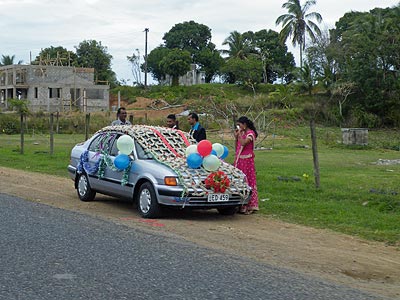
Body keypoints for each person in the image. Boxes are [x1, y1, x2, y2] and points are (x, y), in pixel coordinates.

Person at [234, 116, 259, 215]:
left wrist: (239, 134)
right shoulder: (243, 133)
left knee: (249, 181)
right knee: (241, 181)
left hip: (247, 160)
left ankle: (251, 205)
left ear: (244, 125)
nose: (239, 127)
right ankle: (241, 205)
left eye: (240, 125)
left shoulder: (250, 134)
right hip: (240, 159)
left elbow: (244, 143)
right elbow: (238, 146)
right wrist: (236, 137)